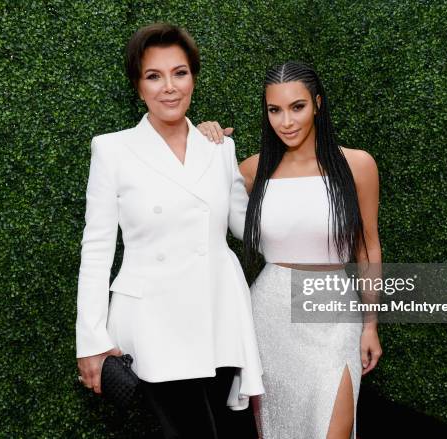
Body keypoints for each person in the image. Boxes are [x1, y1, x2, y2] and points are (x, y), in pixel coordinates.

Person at [75, 23, 264, 439]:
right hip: (152, 324)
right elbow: (97, 247)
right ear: (138, 87)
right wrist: (91, 339)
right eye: (153, 76)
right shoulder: (112, 149)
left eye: (179, 73)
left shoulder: (218, 149)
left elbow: (250, 229)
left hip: (220, 317)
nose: (169, 87)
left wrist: (291, 166)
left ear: (194, 77)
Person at [197, 61, 382, 439]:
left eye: (297, 107)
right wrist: (203, 143)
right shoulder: (252, 170)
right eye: (274, 110)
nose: (286, 121)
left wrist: (371, 325)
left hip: (334, 312)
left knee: (335, 427)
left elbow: (368, 247)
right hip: (270, 315)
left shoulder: (358, 165)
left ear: (317, 103)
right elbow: (194, 199)